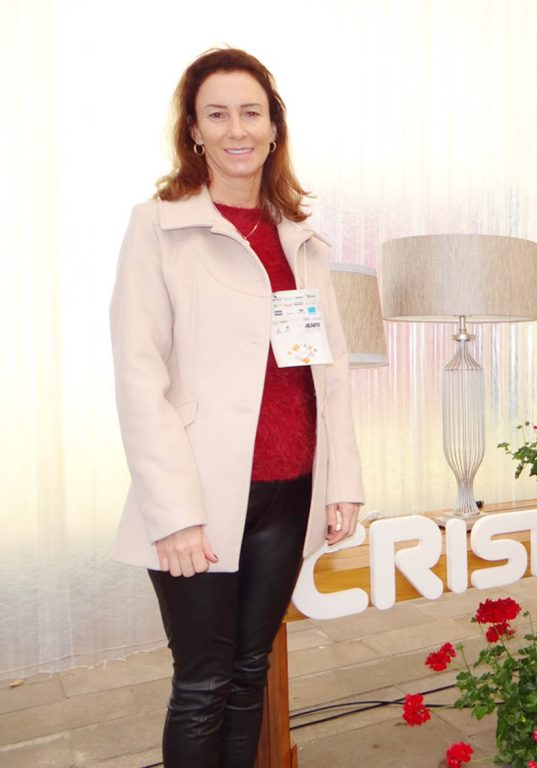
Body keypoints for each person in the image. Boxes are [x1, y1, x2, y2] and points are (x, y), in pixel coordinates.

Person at [109, 47, 365, 768]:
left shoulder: (299, 239)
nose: (236, 129)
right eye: (216, 115)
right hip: (201, 498)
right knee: (202, 684)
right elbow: (138, 377)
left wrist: (342, 482)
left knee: (252, 670)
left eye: (251, 113)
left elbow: (329, 373)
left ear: (274, 127)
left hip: (288, 490)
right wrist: (173, 512)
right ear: (193, 131)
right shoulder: (158, 227)